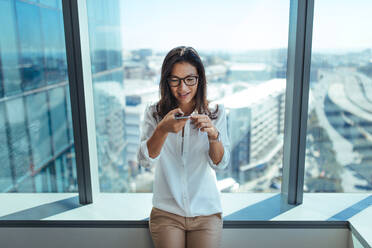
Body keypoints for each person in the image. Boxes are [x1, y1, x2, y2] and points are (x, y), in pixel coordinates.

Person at [137, 46, 231, 248]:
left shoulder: (216, 113)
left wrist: (213, 135)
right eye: (175, 80)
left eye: (190, 79)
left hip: (206, 212)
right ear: (166, 81)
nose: (182, 88)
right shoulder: (154, 113)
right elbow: (145, 161)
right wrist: (162, 130)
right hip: (167, 213)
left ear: (200, 79)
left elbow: (220, 164)